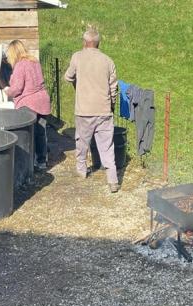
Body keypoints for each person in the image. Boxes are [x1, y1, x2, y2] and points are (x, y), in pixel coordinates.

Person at [64, 26, 119, 193]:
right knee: (107, 146)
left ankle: (81, 171)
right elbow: (113, 87)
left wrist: (78, 85)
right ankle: (113, 180)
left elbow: (68, 77)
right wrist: (111, 105)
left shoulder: (77, 57)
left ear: (84, 42)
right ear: (98, 43)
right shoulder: (108, 61)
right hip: (104, 110)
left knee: (82, 142)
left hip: (84, 110)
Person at [4, 39, 52, 171]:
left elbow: (18, 88)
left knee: (28, 135)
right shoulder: (34, 62)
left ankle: (29, 163)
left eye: (8, 55)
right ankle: (42, 161)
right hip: (43, 101)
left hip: (29, 103)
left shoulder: (20, 65)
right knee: (41, 133)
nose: (8, 59)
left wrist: (8, 91)